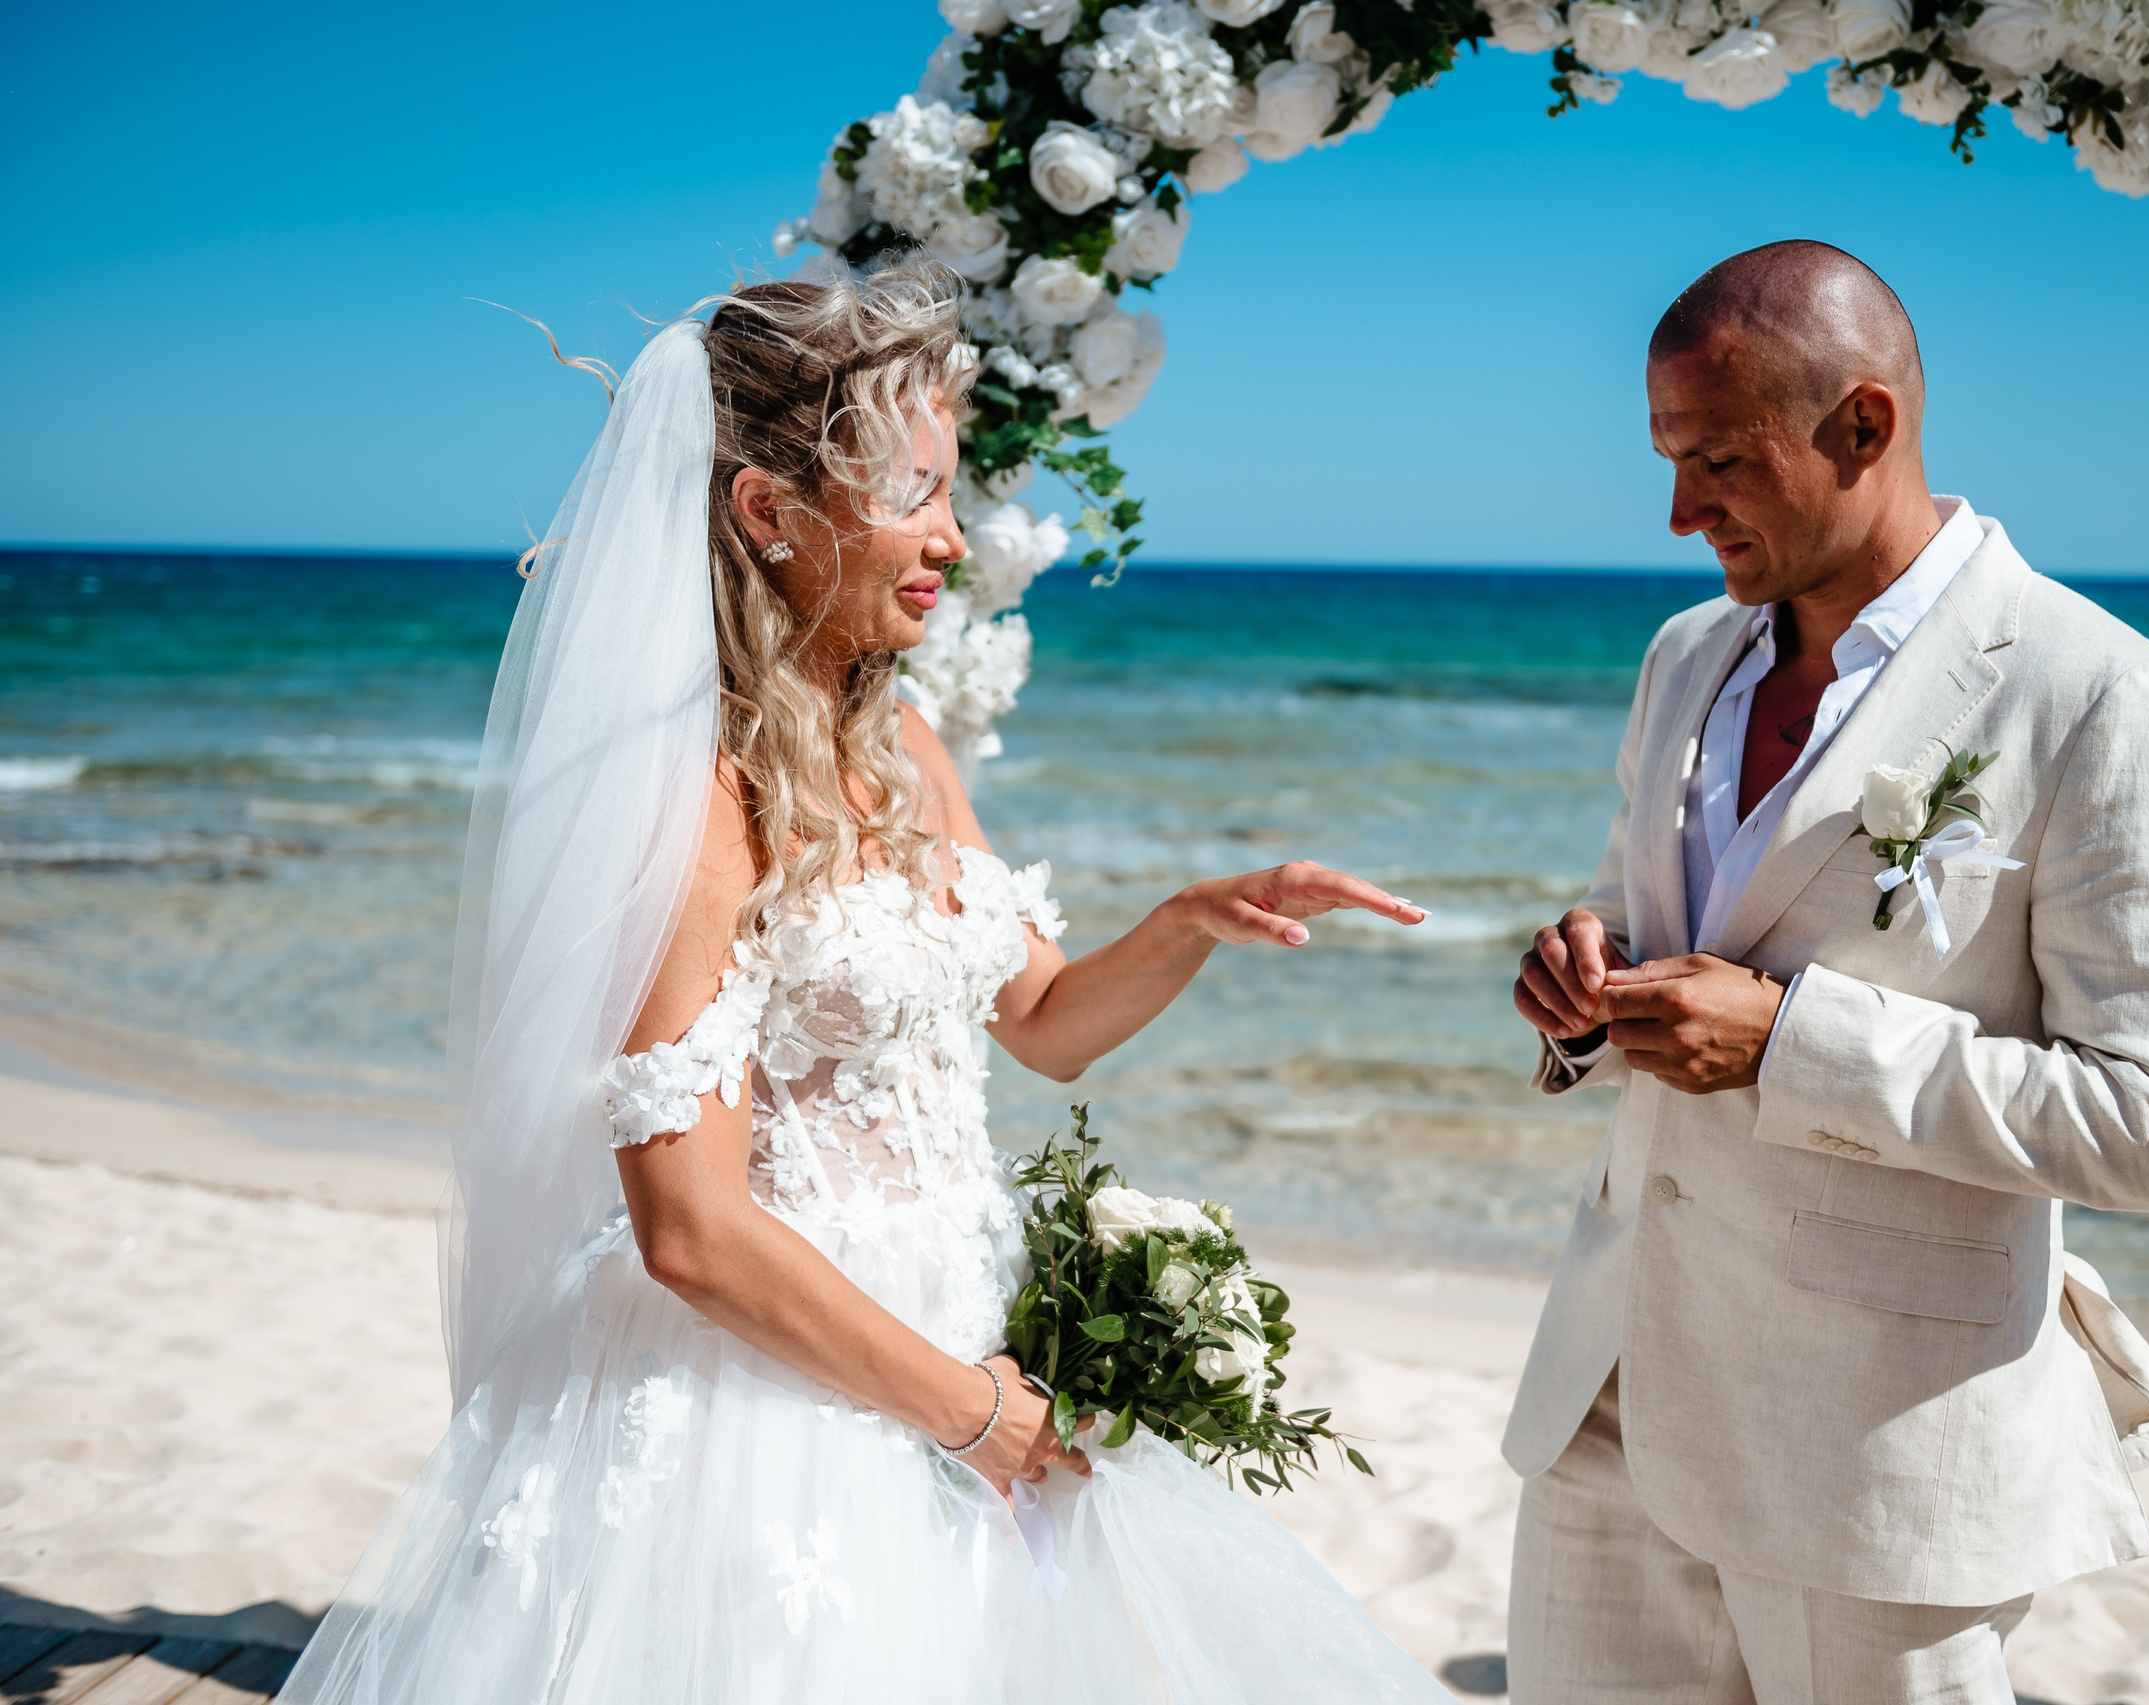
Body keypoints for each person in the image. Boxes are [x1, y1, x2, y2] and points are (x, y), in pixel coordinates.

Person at [278, 260, 1449, 1704]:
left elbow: (1046, 1023)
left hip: (962, 1349)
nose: (953, 541)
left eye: (952, 496)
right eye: (913, 493)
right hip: (776, 1406)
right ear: (769, 512)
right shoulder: (693, 801)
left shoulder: (906, 759)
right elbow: (692, 1230)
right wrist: (968, 1417)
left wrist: (1193, 919)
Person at [1503, 240, 2149, 1704]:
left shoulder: (2100, 695)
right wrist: (1584, 986)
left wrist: (1794, 1043)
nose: (1675, 512)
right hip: (1612, 1392)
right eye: (1666, 459)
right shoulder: (1683, 658)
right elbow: (1656, 916)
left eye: (1715, 459)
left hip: (1875, 1450)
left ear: (1863, 426)